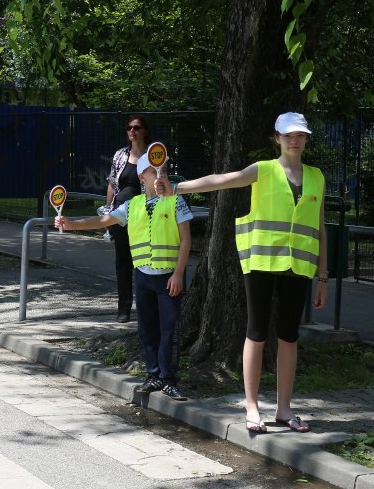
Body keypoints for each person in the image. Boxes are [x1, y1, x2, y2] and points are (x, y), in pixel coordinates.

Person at [155, 112, 327, 432]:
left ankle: (284, 410)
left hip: (299, 265)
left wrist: (323, 276)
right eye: (288, 135)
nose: (294, 140)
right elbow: (222, 179)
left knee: (289, 337)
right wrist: (176, 187)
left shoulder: (317, 176)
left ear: (305, 139)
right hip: (261, 261)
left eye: (300, 135)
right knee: (257, 331)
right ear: (276, 138)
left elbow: (319, 228)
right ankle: (251, 406)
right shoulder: (263, 170)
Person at [57, 149, 192, 400]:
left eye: (164, 170)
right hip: (142, 276)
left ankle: (169, 379)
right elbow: (102, 221)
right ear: (142, 176)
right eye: (154, 171)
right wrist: (71, 223)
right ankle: (153, 375)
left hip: (168, 277)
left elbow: (186, 240)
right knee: (146, 329)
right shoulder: (132, 205)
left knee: (169, 329)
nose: (161, 175)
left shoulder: (176, 200)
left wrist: (179, 273)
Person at [102, 115, 151, 322]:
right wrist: (107, 211)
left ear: (145, 131)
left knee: (143, 260)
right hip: (121, 216)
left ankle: (146, 307)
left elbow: (160, 182)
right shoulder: (120, 155)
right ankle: (123, 308)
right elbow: (113, 184)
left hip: (145, 216)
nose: (132, 131)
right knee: (123, 262)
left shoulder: (153, 155)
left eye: (137, 127)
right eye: (129, 128)